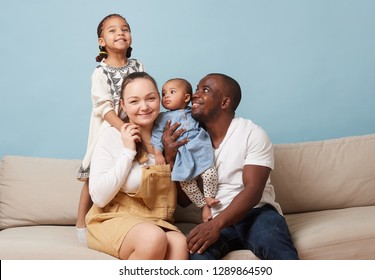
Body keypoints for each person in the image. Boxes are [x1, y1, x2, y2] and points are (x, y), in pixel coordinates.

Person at [162, 73, 299, 260]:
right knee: (196, 260)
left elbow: (253, 190)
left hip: (257, 214)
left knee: (276, 247)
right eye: (197, 89)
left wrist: (216, 225)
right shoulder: (191, 138)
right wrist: (171, 158)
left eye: (205, 90)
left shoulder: (252, 133)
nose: (195, 95)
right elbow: (184, 201)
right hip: (214, 220)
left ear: (225, 102)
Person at [85, 72, 188, 260]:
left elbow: (185, 198)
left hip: (155, 220)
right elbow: (99, 198)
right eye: (134, 101)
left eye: (151, 98)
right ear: (123, 105)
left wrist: (171, 158)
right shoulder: (112, 135)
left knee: (179, 243)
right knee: (153, 238)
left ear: (159, 98)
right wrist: (128, 152)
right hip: (112, 218)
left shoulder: (170, 135)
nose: (144, 107)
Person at [76, 13, 145, 245]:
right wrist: (124, 129)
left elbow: (143, 93)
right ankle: (80, 225)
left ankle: (127, 218)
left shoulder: (137, 66)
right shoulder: (100, 72)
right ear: (101, 41)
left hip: (134, 128)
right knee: (93, 176)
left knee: (131, 170)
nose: (120, 33)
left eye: (125, 29)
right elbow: (104, 109)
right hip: (109, 129)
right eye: (113, 30)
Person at [151, 78, 219, 222]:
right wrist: (158, 153)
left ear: (186, 97)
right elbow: (157, 135)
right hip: (182, 156)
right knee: (186, 183)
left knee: (210, 173)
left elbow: (209, 122)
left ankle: (209, 197)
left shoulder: (194, 112)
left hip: (199, 151)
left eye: (172, 92)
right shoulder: (162, 118)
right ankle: (203, 206)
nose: (166, 96)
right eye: (163, 94)